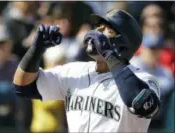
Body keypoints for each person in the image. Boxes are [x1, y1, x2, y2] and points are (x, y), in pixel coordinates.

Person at [13, 9, 160, 132]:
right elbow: (23, 87)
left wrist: (109, 55)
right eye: (98, 27)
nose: (97, 32)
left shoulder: (143, 79)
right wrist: (35, 51)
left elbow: (142, 105)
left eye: (107, 30)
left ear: (122, 46)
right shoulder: (74, 70)